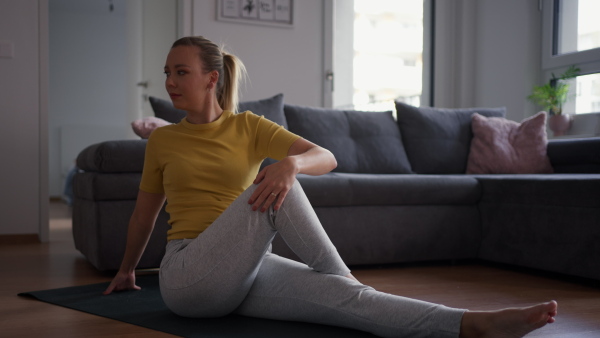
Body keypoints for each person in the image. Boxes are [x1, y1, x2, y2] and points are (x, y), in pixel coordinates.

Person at [104, 36, 558, 337]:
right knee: (279, 186)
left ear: (211, 78)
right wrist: (127, 270)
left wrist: (292, 164)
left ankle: (469, 325)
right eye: (168, 72)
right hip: (187, 278)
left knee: (347, 294)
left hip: (243, 272)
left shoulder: (248, 127)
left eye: (180, 72)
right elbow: (145, 214)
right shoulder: (164, 138)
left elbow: (327, 156)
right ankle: (348, 281)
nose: (169, 81)